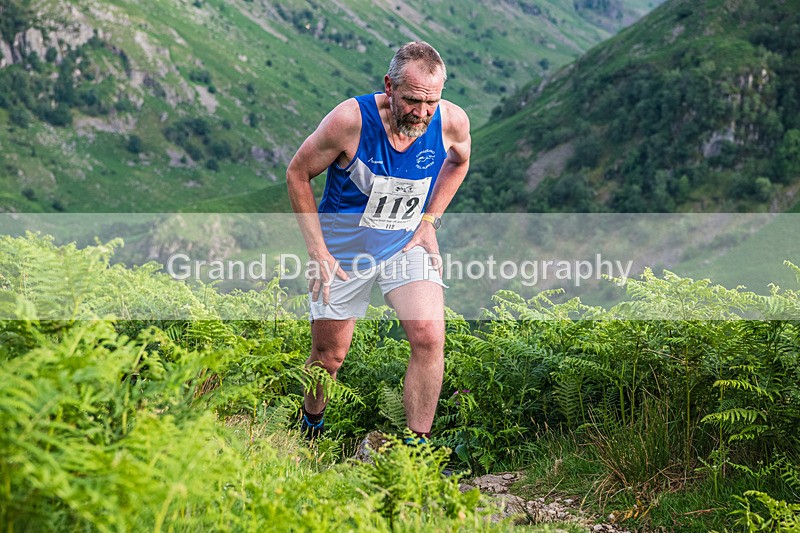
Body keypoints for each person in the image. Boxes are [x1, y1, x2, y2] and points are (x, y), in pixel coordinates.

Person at [286, 41, 471, 442]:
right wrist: (317, 250)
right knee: (329, 358)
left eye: (431, 102)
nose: (421, 113)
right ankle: (309, 426)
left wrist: (428, 222)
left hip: (405, 243)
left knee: (429, 336)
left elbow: (460, 162)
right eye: (412, 101)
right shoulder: (349, 121)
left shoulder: (451, 122)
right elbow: (297, 174)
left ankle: (416, 449)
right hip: (343, 253)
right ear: (389, 86)